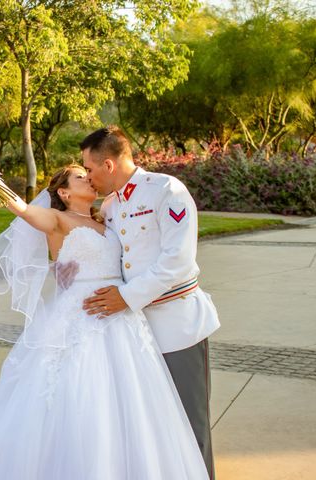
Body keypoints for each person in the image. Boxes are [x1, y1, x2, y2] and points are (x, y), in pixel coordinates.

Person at [0, 164, 209, 479]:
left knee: (131, 402)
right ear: (64, 192)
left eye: (88, 174)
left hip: (122, 316)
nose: (88, 179)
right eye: (79, 177)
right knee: (79, 395)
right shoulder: (57, 219)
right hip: (79, 316)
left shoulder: (108, 217)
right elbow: (25, 211)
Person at [80, 126, 220, 479]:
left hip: (177, 327)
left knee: (190, 423)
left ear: (109, 164)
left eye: (91, 168)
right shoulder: (111, 206)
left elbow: (178, 261)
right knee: (156, 427)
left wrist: (125, 298)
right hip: (135, 335)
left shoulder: (166, 191)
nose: (88, 176)